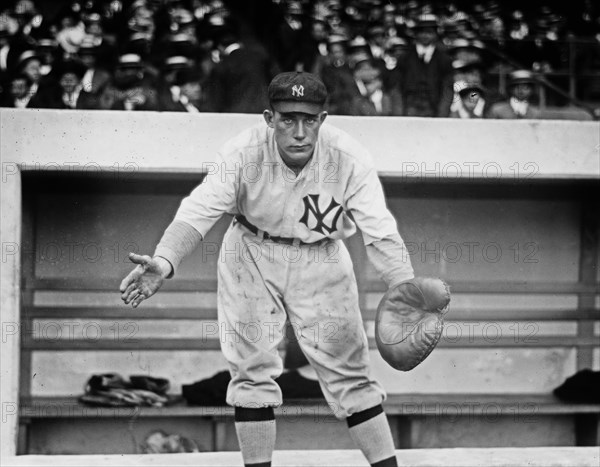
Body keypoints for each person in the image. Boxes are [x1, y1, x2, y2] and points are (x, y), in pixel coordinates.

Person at [119, 71, 414, 467]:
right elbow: (199, 211)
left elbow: (380, 230)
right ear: (268, 118)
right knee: (251, 371)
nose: (299, 131)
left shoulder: (348, 157)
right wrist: (164, 260)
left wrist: (404, 287)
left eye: (309, 119)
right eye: (287, 118)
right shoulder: (243, 150)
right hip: (251, 251)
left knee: (351, 372)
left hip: (322, 256)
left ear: (322, 120)